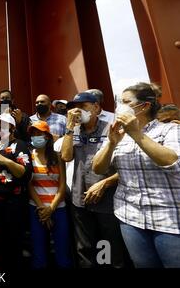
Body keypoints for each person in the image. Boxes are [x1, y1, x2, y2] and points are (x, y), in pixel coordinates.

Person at [93, 83, 180, 268]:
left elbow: (173, 162)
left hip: (169, 220)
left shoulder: (169, 130)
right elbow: (98, 168)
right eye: (119, 102)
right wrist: (111, 143)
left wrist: (136, 133)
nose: (120, 107)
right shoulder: (118, 134)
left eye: (126, 102)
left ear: (144, 106)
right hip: (130, 217)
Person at [61, 92, 127, 268]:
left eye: (83, 106)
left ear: (96, 108)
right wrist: (69, 128)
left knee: (110, 248)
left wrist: (104, 183)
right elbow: (66, 156)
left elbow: (126, 167)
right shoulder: (73, 131)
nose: (77, 111)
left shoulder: (111, 129)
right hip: (79, 200)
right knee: (86, 248)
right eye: (75, 107)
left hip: (106, 200)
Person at [0, 113, 32, 268]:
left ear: (12, 128)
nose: (0, 130)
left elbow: (24, 173)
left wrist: (5, 160)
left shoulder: (19, 145)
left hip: (13, 204)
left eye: (4, 127)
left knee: (13, 245)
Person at [28, 121, 72, 268]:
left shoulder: (57, 156)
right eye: (33, 134)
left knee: (63, 253)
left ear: (47, 136)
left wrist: (51, 208)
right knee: (39, 255)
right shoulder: (28, 156)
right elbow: (29, 186)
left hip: (58, 208)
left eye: (39, 133)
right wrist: (42, 209)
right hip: (37, 209)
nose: (35, 137)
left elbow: (62, 185)